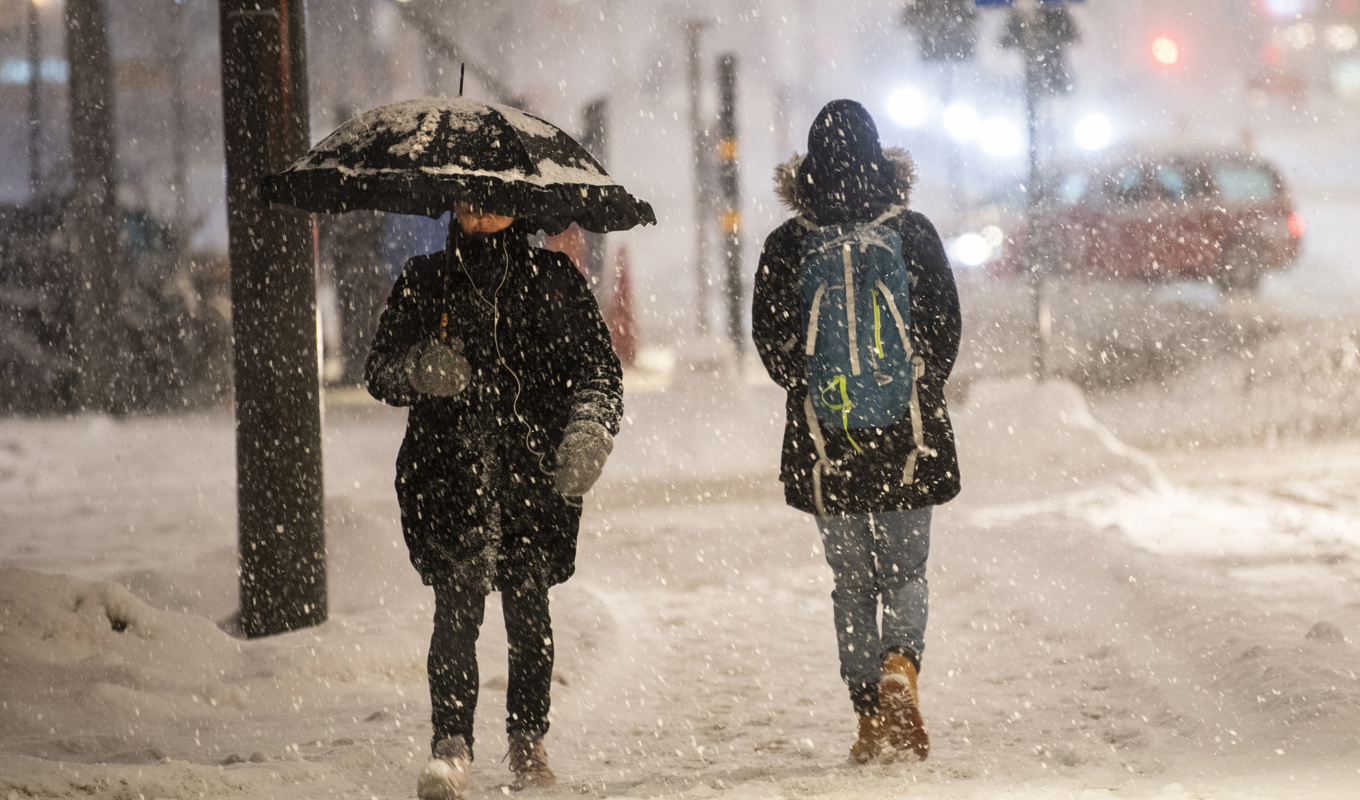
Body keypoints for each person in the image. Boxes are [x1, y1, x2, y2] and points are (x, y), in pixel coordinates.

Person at [365, 201, 622, 799]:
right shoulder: (425, 280)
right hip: (448, 476)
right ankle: (450, 746)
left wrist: (589, 428)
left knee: (529, 613)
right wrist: (420, 369)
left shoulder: (554, 282)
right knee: (455, 614)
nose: (481, 210)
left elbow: (599, 371)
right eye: (469, 197)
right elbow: (380, 369)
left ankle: (528, 741)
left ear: (520, 207)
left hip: (533, 476)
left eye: (496, 199)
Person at [752, 100, 962, 764]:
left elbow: (773, 344)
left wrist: (815, 385)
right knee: (905, 569)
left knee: (851, 582)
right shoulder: (914, 232)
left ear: (807, 169)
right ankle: (901, 661)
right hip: (909, 433)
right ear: (882, 162)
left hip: (825, 439)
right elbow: (943, 327)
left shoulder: (788, 243)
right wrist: (913, 384)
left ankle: (869, 714)